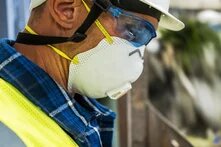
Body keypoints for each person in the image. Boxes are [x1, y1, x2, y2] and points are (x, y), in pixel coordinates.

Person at [0, 0, 184, 146]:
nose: (137, 54)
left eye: (145, 39)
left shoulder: (80, 121)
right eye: (132, 30)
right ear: (66, 10)